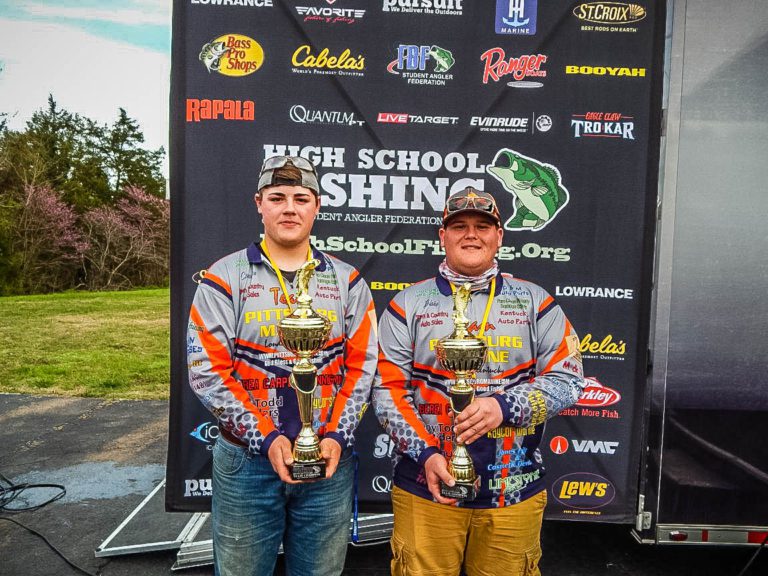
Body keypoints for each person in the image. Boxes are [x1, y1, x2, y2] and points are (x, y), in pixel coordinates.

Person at [372, 186, 585, 576]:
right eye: (460, 226)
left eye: (483, 226)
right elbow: (386, 391)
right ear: (443, 236)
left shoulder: (536, 303)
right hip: (426, 487)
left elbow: (568, 380)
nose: (471, 234)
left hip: (514, 488)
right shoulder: (407, 304)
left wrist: (503, 407)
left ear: (499, 236)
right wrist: (426, 455)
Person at [187, 155, 378, 576]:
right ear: (259, 203)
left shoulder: (348, 281)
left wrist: (336, 437)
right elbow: (206, 371)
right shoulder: (224, 277)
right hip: (247, 463)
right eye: (278, 197)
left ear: (317, 206)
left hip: (329, 460)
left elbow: (363, 369)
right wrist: (268, 437)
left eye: (300, 198)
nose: (289, 207)